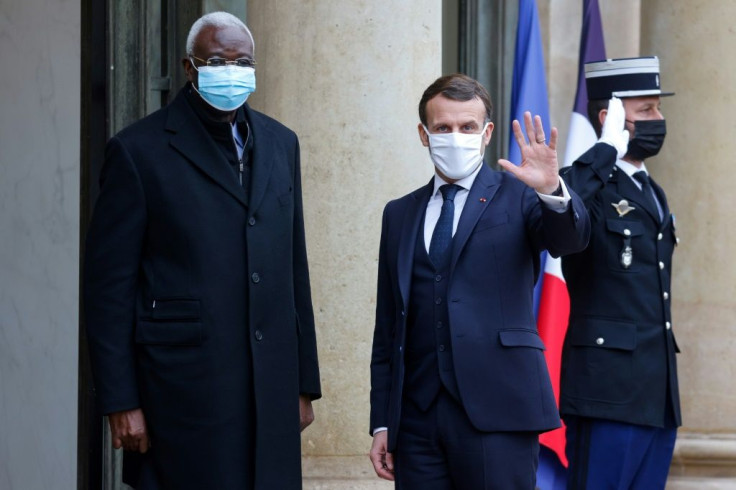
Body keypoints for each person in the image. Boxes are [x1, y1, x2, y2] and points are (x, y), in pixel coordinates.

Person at [84, 11, 320, 489]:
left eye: (243, 61)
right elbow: (107, 288)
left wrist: (303, 383)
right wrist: (120, 400)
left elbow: (294, 267)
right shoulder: (138, 151)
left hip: (270, 385)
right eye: (217, 59)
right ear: (190, 67)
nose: (231, 71)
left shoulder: (281, 144)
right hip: (181, 391)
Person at [368, 73, 590, 489]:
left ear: (487, 133)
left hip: (499, 412)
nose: (455, 137)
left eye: (467, 127)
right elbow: (388, 328)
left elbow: (570, 240)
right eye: (443, 128)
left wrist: (552, 189)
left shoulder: (521, 194)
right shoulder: (399, 213)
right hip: (416, 421)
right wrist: (383, 421)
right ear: (423, 134)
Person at [559, 56, 680, 489]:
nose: (657, 119)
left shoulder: (650, 189)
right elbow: (559, 209)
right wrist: (603, 151)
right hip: (606, 392)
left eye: (658, 109)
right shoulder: (590, 185)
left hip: (655, 390)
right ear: (609, 119)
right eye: (645, 111)